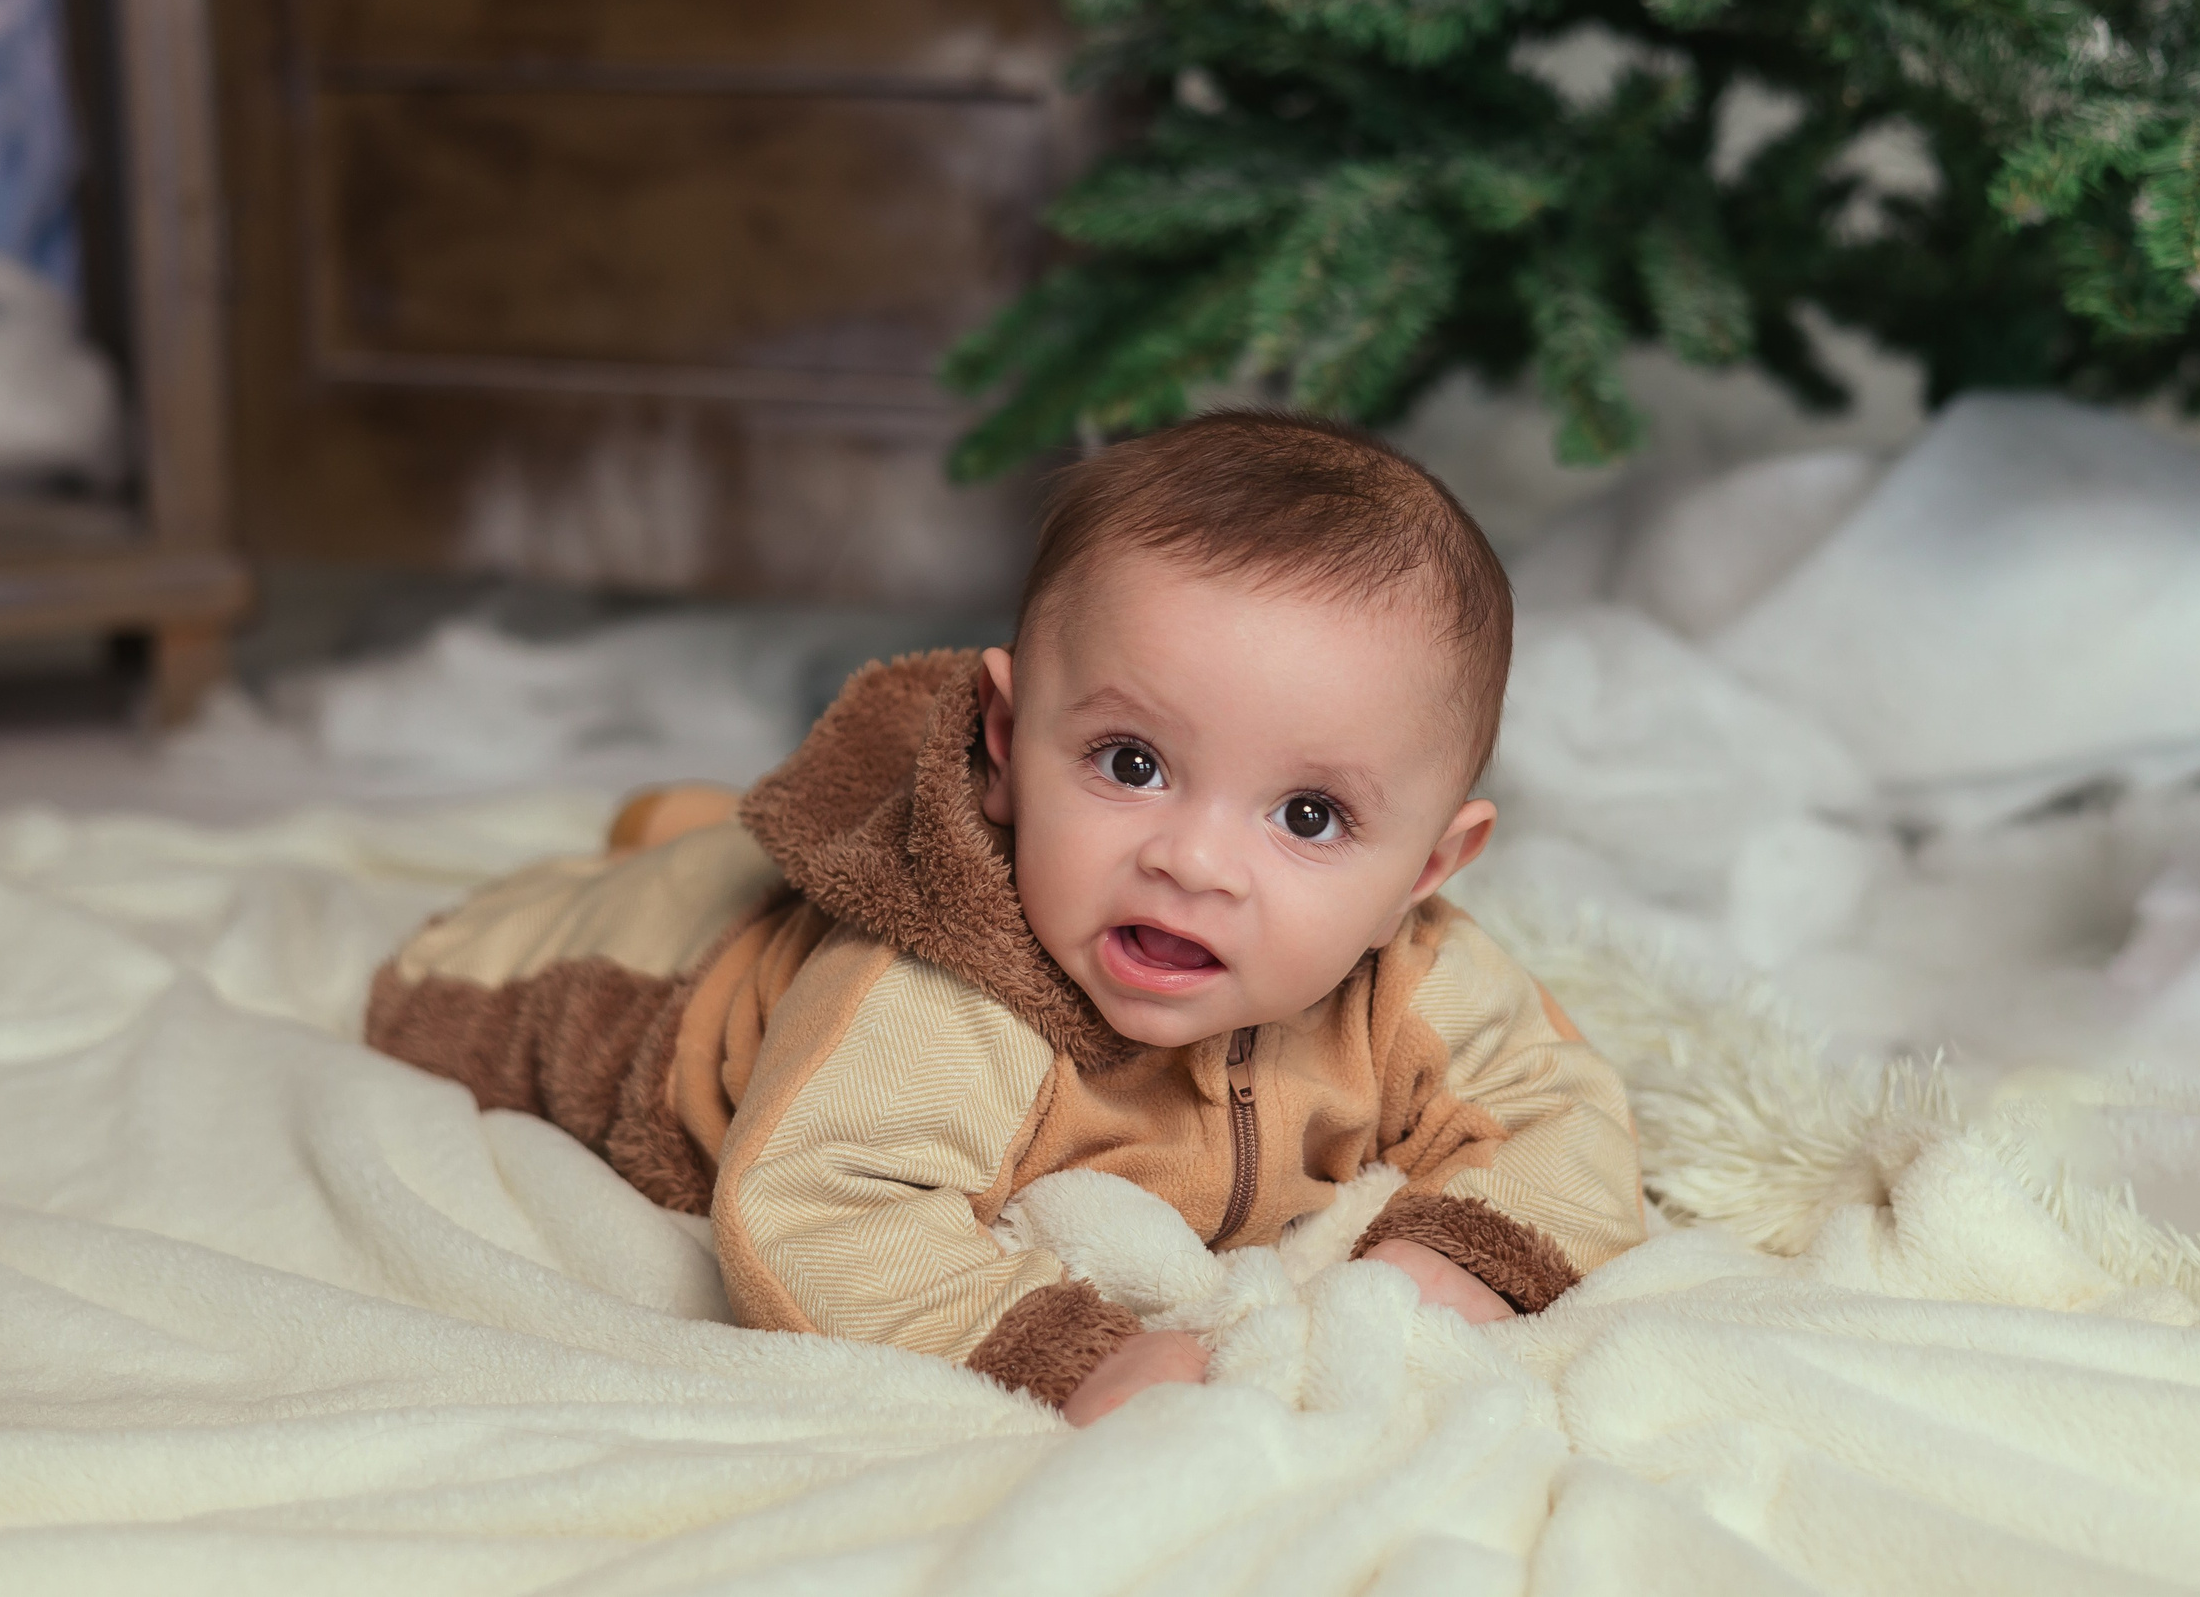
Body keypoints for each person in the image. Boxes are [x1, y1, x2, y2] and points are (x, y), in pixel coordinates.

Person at [368, 411, 1644, 1425]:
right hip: (644, 982)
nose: (1192, 863)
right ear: (1005, 740)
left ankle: (691, 820)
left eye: (1307, 816)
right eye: (1131, 764)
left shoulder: (1415, 982)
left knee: (708, 846)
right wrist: (1065, 1355)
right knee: (616, 922)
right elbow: (819, 1208)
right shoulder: (939, 992)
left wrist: (1466, 1257)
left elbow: (1562, 1113)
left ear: (1429, 867)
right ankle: (685, 839)